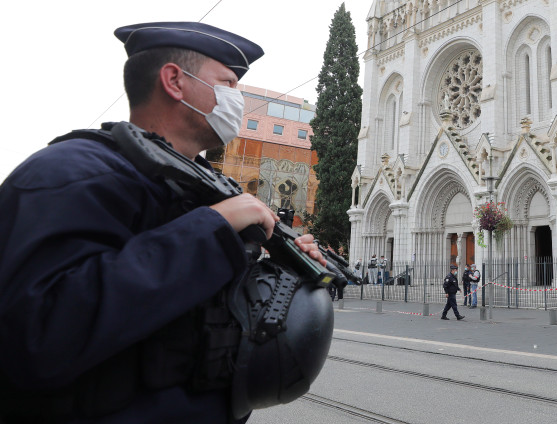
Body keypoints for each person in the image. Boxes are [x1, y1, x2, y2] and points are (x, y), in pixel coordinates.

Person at [0, 21, 328, 424]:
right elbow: (36, 336)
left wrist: (288, 271)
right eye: (228, 84)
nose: (237, 100)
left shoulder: (212, 189)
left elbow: (213, 316)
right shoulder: (70, 173)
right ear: (175, 81)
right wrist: (213, 229)